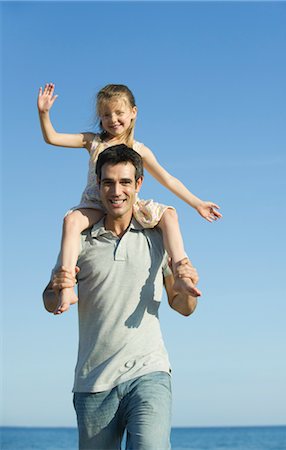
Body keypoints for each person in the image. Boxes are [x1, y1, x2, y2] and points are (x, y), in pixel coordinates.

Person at [43, 145, 200, 450]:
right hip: (93, 383)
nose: (117, 191)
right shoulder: (80, 241)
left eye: (125, 182)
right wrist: (55, 287)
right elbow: (50, 301)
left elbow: (184, 307)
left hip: (148, 372)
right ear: (97, 185)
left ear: (138, 185)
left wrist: (186, 291)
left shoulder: (156, 236)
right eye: (108, 182)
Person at [38, 83, 221, 315]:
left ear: (133, 113)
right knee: (71, 221)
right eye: (105, 115)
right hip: (95, 204)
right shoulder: (93, 141)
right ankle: (65, 285)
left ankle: (182, 274)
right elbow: (52, 138)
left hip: (129, 206)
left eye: (118, 112)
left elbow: (168, 179)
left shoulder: (139, 149)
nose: (112, 119)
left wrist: (197, 203)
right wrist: (44, 113)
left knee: (170, 214)